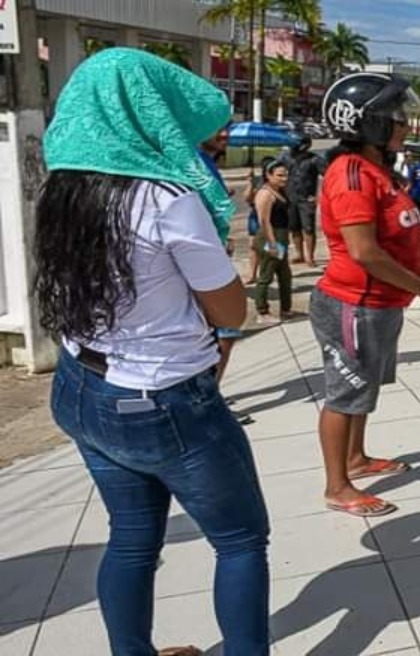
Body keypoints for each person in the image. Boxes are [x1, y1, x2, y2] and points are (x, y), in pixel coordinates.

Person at [34, 48, 270, 655]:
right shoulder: (166, 198)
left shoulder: (60, 190)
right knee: (241, 540)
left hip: (79, 386)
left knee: (133, 537)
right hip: (163, 397)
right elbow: (231, 310)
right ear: (152, 114)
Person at [313, 72, 420, 517]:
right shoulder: (353, 176)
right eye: (396, 118)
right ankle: (337, 486)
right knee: (344, 394)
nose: (404, 125)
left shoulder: (380, 171)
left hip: (380, 304)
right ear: (369, 124)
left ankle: (356, 459)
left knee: (364, 388)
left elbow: (402, 241)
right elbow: (364, 252)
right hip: (353, 304)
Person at [198, 123, 255, 425]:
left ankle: (209, 396)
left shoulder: (203, 161)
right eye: (217, 129)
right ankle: (207, 401)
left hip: (212, 253)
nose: (224, 136)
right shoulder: (193, 161)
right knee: (223, 333)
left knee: (221, 334)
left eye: (227, 130)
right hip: (203, 260)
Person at [253, 160, 295, 324]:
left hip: (282, 236)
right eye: (279, 175)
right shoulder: (265, 194)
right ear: (268, 175)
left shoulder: (280, 191)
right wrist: (271, 244)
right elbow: (264, 221)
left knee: (285, 275)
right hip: (270, 237)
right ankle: (262, 311)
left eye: (285, 175)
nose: (284, 178)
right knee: (266, 275)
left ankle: (286, 309)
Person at [285, 134, 325, 268]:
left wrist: (318, 196)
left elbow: (328, 175)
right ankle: (299, 254)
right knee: (293, 227)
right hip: (290, 198)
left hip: (306, 199)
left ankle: (310, 256)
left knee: (308, 228)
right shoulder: (286, 158)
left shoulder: (314, 159)